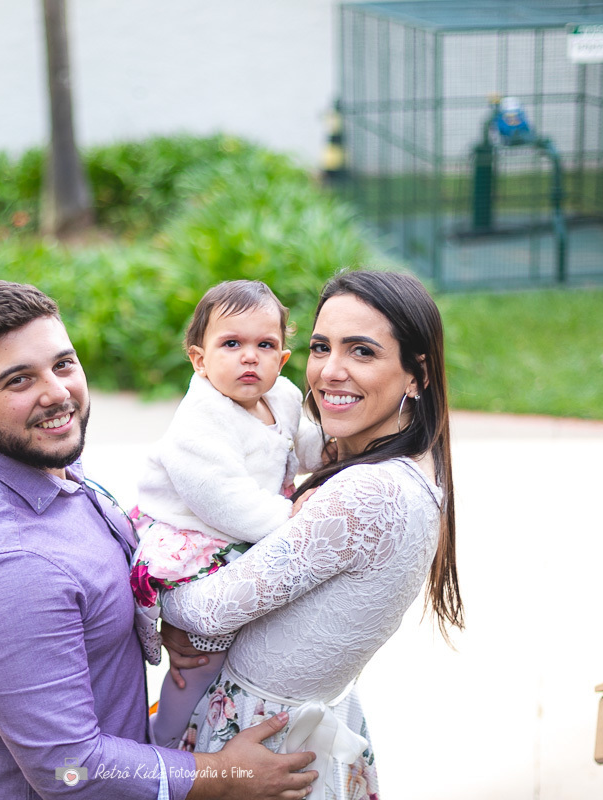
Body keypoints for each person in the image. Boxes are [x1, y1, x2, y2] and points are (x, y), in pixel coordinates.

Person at [0, 279, 320, 800]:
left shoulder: (30, 456)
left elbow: (82, 597)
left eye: (63, 364)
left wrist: (151, 619)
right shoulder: (7, 570)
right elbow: (70, 770)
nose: (57, 393)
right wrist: (226, 775)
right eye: (19, 379)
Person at [160, 270, 465, 800]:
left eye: (362, 351)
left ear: (416, 375)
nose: (329, 371)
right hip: (294, 727)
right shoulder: (409, 468)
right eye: (321, 347)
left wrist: (152, 591)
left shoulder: (369, 493)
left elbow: (210, 612)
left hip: (261, 746)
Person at [131, 280, 325, 749]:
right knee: (201, 659)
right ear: (200, 360)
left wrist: (331, 453)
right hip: (196, 533)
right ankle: (165, 738)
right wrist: (291, 517)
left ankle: (206, 722)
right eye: (232, 344)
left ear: (282, 359)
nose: (249, 357)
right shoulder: (201, 418)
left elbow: (303, 446)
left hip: (245, 525)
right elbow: (221, 498)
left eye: (265, 345)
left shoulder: (282, 397)